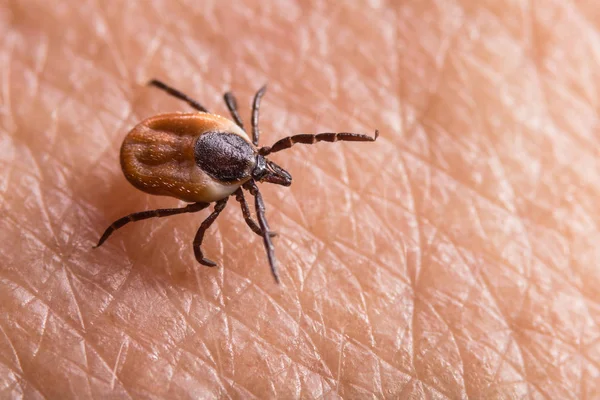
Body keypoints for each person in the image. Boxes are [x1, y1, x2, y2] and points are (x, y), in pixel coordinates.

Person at [1, 1, 597, 397]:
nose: (268, 171)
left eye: (263, 166)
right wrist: (247, 235)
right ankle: (130, 215)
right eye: (265, 167)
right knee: (190, 215)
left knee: (192, 209)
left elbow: (235, 107)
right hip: (188, 155)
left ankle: (134, 201)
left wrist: (253, 219)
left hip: (194, 152)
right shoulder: (235, 175)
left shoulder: (236, 144)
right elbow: (214, 205)